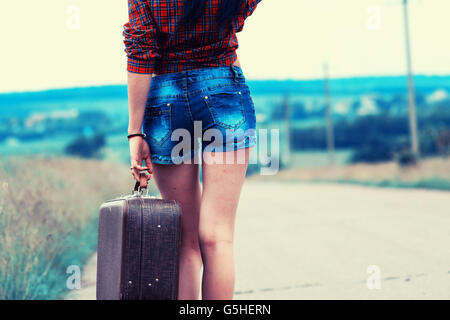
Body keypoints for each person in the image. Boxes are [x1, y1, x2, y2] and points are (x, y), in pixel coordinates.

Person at [124, 0, 262, 300]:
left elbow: (140, 50)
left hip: (165, 100)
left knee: (184, 240)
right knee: (218, 238)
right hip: (223, 90)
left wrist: (135, 131)